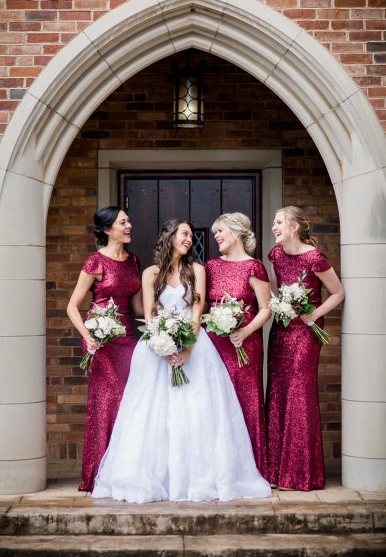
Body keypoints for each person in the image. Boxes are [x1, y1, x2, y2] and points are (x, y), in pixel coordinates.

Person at [92, 219, 271, 503]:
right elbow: (150, 313)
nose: (188, 239)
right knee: (150, 415)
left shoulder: (197, 270)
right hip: (155, 348)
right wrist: (161, 345)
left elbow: (198, 309)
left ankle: (196, 478)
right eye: (184, 234)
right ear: (170, 236)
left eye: (190, 235)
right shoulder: (150, 273)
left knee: (197, 412)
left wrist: (187, 347)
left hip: (195, 346)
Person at [266, 206, 345, 491]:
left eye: (278, 222)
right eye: (274, 222)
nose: (274, 227)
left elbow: (338, 293)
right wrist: (279, 304)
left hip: (307, 334)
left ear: (295, 226)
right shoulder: (275, 255)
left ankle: (299, 474)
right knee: (278, 393)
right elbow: (275, 291)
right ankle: (275, 472)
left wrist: (314, 314)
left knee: (299, 393)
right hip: (281, 331)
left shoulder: (315, 258)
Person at [67, 206, 142, 492]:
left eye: (128, 220)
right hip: (102, 340)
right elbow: (72, 306)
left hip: (128, 338)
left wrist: (157, 322)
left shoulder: (133, 260)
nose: (129, 225)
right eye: (123, 222)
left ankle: (126, 471)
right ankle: (101, 472)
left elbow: (134, 304)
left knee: (131, 402)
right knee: (109, 402)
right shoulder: (95, 262)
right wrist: (88, 335)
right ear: (108, 229)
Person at [205, 212, 271, 479]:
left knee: (245, 400)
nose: (217, 236)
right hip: (215, 345)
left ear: (236, 233)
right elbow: (205, 305)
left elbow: (266, 309)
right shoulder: (210, 266)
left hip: (245, 344)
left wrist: (245, 330)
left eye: (220, 231)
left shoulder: (254, 267)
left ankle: (251, 468)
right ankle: (218, 468)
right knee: (216, 401)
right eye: (215, 233)